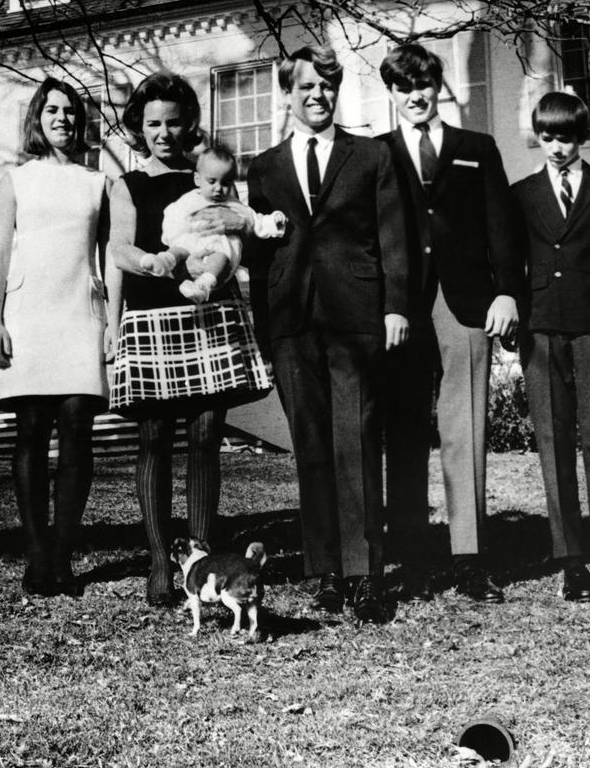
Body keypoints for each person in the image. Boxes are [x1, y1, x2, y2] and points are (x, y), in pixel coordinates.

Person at [246, 45, 409, 624]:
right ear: (287, 94)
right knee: (311, 446)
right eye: (307, 87)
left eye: (327, 87)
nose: (318, 96)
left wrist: (394, 307)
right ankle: (328, 573)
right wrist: (265, 331)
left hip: (356, 314)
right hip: (292, 320)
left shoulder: (369, 156)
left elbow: (393, 237)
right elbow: (259, 256)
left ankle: (366, 574)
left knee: (356, 439)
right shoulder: (263, 168)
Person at [107, 72, 272, 607]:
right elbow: (118, 250)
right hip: (152, 314)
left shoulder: (209, 178)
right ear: (139, 126)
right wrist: (151, 263)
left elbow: (237, 232)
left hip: (209, 314)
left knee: (205, 437)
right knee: (154, 439)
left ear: (189, 126)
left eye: (174, 123)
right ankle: (160, 560)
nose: (164, 132)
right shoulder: (126, 184)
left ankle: (201, 558)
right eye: (153, 122)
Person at [378, 43, 524, 604]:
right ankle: (412, 557)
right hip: (402, 308)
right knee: (407, 432)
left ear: (438, 87)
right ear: (391, 93)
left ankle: (470, 557)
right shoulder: (376, 153)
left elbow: (502, 227)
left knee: (465, 430)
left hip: (467, 302)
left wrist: (507, 291)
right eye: (403, 86)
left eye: (424, 84)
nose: (415, 95)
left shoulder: (476, 148)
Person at [0, 78, 110, 597]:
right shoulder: (16, 178)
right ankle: (37, 553)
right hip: (28, 311)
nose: (63, 119)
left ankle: (63, 553)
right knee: (31, 430)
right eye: (53, 110)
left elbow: (109, 259)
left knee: (77, 426)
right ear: (37, 118)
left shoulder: (96, 182)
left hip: (79, 311)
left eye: (72, 112)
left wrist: (115, 323)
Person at [512, 91, 590, 603]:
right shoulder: (520, 194)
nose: (557, 147)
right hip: (541, 329)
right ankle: (571, 562)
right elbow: (511, 262)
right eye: (548, 137)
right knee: (553, 442)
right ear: (538, 137)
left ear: (582, 137)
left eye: (566, 137)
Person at [141, 143, 287, 303]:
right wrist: (172, 237)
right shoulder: (189, 200)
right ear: (197, 179)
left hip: (220, 252)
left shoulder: (234, 205)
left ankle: (203, 286)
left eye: (225, 183)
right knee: (178, 249)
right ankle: (163, 261)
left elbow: (255, 221)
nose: (218, 188)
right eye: (212, 181)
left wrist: (274, 221)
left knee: (220, 259)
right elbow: (173, 216)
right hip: (191, 246)